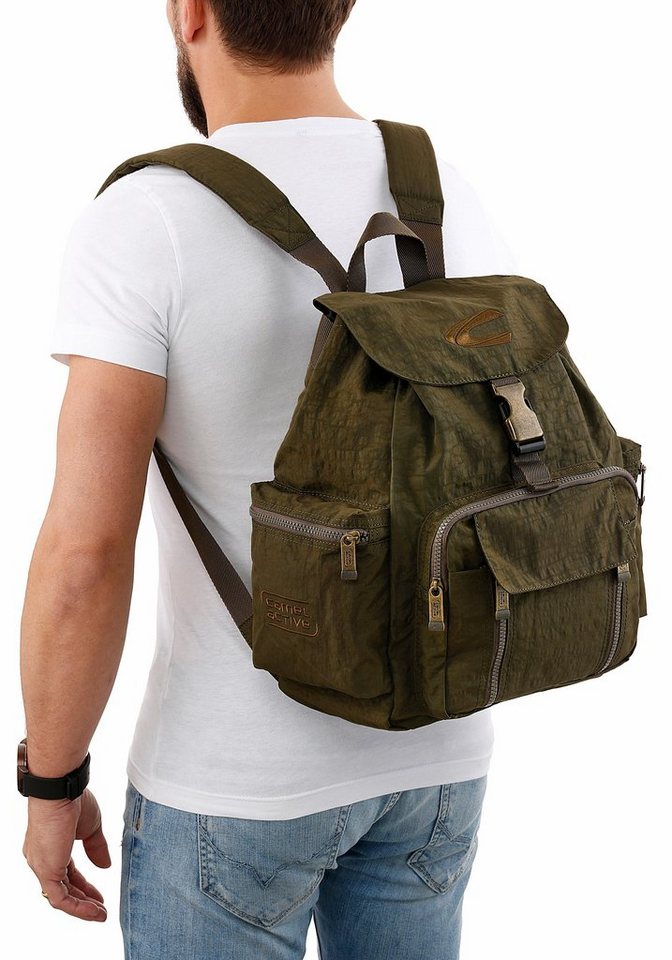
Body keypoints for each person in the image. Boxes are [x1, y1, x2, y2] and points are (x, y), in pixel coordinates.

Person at [19, 2, 516, 957]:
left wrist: (51, 780)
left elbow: (84, 553)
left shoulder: (147, 218)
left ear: (192, 13)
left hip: (232, 784)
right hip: (441, 754)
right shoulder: (437, 185)